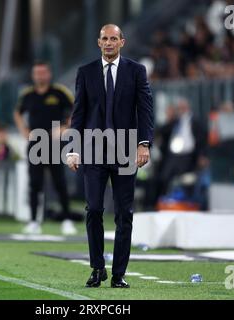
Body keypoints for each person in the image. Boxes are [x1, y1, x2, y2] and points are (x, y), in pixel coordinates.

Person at [66, 24, 154, 288]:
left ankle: (118, 274)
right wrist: (72, 148)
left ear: (122, 42)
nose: (109, 43)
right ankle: (96, 268)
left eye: (113, 38)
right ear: (98, 42)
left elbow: (145, 110)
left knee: (124, 213)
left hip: (126, 151)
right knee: (93, 209)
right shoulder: (85, 73)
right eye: (104, 38)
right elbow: (78, 113)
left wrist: (144, 143)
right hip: (93, 151)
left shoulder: (137, 72)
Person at [13, 61, 77, 236]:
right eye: (37, 73)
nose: (40, 76)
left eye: (43, 73)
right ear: (33, 75)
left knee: (59, 182)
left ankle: (67, 220)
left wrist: (65, 127)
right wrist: (24, 131)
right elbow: (17, 112)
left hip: (54, 143)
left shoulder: (59, 92)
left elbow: (77, 110)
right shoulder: (28, 95)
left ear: (49, 74)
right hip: (36, 143)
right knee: (35, 183)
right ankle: (34, 221)